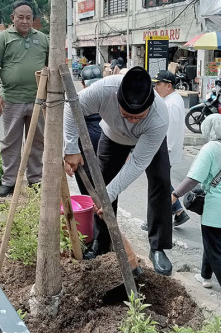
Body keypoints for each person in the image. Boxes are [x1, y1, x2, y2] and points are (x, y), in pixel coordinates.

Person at [64, 66, 173, 276]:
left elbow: (137, 163)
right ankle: (101, 242)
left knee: (161, 182)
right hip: (112, 137)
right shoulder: (104, 90)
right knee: (102, 184)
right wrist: (70, 148)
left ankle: (158, 247)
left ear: (149, 107)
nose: (132, 120)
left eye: (138, 117)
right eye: (127, 115)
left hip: (149, 141)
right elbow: (71, 107)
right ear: (116, 100)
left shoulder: (159, 118)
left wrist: (109, 194)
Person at [171, 114, 221, 312]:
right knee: (213, 243)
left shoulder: (211, 148)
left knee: (218, 254)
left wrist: (174, 195)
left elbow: (193, 179)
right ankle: (205, 277)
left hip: (217, 211)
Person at [0, 0, 49, 197]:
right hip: (12, 99)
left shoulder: (42, 38)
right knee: (11, 142)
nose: (24, 21)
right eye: (20, 17)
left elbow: (50, 67)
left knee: (37, 142)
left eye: (28, 17)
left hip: (38, 100)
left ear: (33, 19)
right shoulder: (2, 39)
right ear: (13, 18)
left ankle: (35, 180)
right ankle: (9, 182)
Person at [141, 70, 189, 231]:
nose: (155, 88)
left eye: (158, 84)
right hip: (164, 151)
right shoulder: (172, 100)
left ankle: (155, 221)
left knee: (158, 186)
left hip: (164, 152)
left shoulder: (170, 104)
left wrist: (162, 152)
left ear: (169, 86)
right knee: (162, 184)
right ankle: (178, 211)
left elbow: (169, 131)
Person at [74, 65, 103, 195]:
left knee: (107, 193)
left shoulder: (110, 97)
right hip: (84, 154)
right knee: (88, 195)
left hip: (105, 152)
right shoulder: (76, 101)